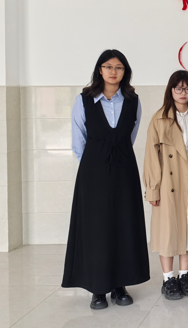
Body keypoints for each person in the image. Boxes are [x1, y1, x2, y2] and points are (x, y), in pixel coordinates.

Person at [63, 49, 149, 310]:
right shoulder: (84, 100)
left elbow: (130, 135)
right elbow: (78, 139)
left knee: (124, 225)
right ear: (100, 70)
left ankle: (120, 285)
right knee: (96, 228)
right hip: (93, 172)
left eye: (119, 67)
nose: (113, 71)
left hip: (124, 170)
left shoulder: (133, 101)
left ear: (125, 72)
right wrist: (93, 165)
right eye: (108, 66)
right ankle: (98, 288)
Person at [144, 70, 188, 301]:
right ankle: (167, 278)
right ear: (170, 90)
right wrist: (152, 188)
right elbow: (151, 156)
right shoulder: (159, 118)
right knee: (168, 230)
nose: (183, 92)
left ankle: (184, 275)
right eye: (178, 88)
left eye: (187, 88)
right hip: (168, 183)